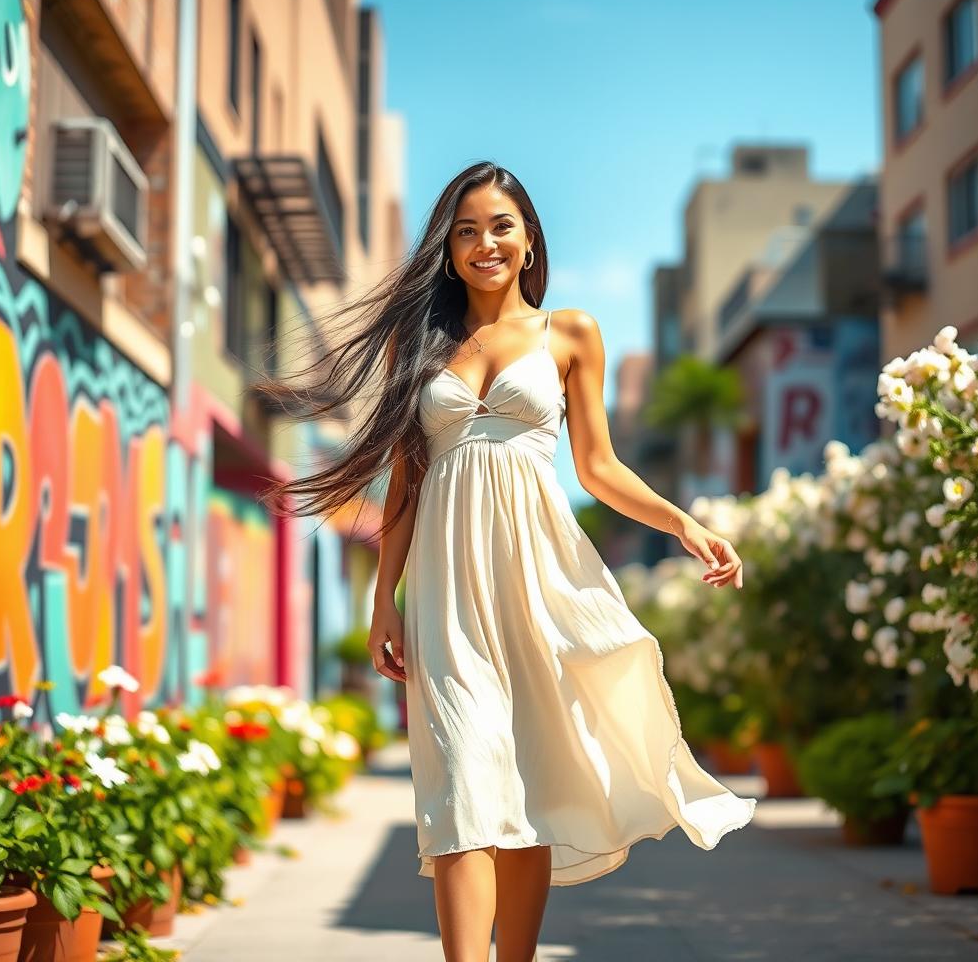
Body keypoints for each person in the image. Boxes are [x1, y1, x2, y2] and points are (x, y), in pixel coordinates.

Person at [265, 162, 756, 962]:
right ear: (450, 251)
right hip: (445, 589)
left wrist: (682, 524)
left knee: (527, 783)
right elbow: (406, 482)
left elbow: (597, 467)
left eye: (499, 226)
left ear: (528, 240)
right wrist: (382, 601)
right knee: (463, 785)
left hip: (537, 581)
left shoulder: (570, 333)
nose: (484, 242)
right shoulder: (421, 343)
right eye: (465, 230)